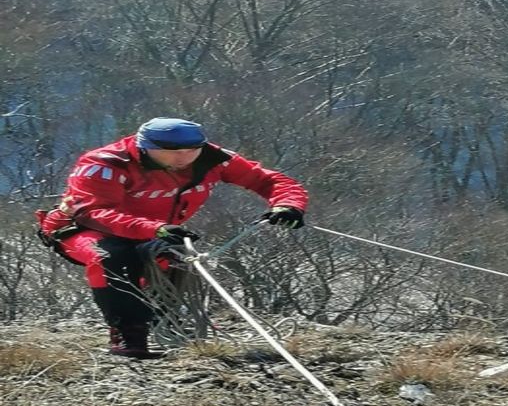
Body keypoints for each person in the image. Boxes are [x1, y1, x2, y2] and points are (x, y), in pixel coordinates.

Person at [37, 117, 309, 359]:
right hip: (82, 229)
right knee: (112, 257)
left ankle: (167, 322)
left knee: (174, 260)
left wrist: (287, 204)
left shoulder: (213, 158)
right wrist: (153, 229)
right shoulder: (103, 164)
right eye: (171, 152)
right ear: (145, 147)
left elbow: (269, 181)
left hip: (155, 230)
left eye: (191, 150)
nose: (183, 158)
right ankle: (128, 335)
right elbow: (94, 213)